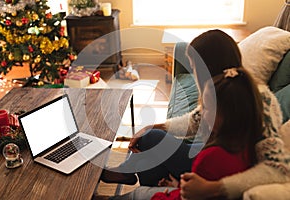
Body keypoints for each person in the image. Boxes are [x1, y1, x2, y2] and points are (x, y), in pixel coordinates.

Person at [101, 30, 290, 199]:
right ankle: (144, 181)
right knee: (151, 136)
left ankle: (140, 182)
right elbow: (196, 120)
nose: (193, 73)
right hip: (215, 153)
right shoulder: (224, 89)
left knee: (151, 140)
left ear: (208, 67)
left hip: (222, 167)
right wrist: (157, 126)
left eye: (194, 67)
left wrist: (213, 188)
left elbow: (278, 169)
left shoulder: (258, 101)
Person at [109, 67, 264, 200]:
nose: (201, 114)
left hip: (170, 195)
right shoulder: (245, 140)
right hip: (179, 188)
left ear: (229, 114)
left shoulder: (210, 159)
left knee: (150, 143)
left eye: (207, 108)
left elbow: (190, 195)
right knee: (147, 155)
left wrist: (177, 190)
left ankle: (124, 173)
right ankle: (126, 172)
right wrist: (179, 187)